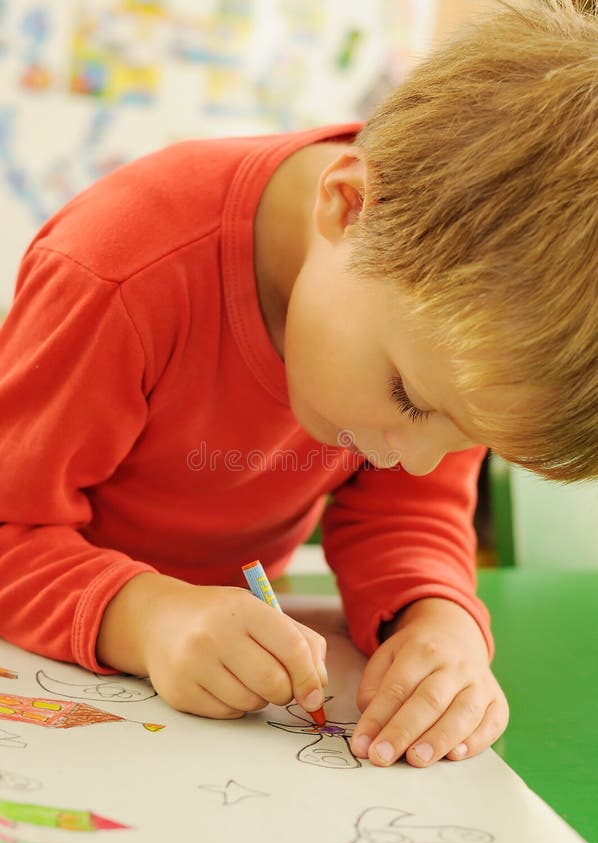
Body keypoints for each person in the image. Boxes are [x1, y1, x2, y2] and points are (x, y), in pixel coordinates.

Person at [0, 0, 595, 770]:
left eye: (462, 434)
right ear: (348, 206)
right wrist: (145, 618)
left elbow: (407, 517)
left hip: (217, 692)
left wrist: (438, 622)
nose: (412, 459)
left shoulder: (441, 333)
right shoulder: (121, 270)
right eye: (410, 401)